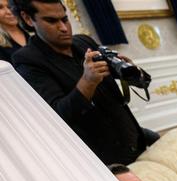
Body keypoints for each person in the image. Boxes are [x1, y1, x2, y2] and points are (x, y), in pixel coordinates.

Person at [12, 0, 155, 164]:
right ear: (28, 19)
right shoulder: (27, 59)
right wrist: (88, 81)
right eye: (51, 21)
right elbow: (60, 115)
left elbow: (143, 82)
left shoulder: (84, 42)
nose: (64, 28)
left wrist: (130, 71)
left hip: (133, 137)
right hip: (102, 158)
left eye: (65, 19)